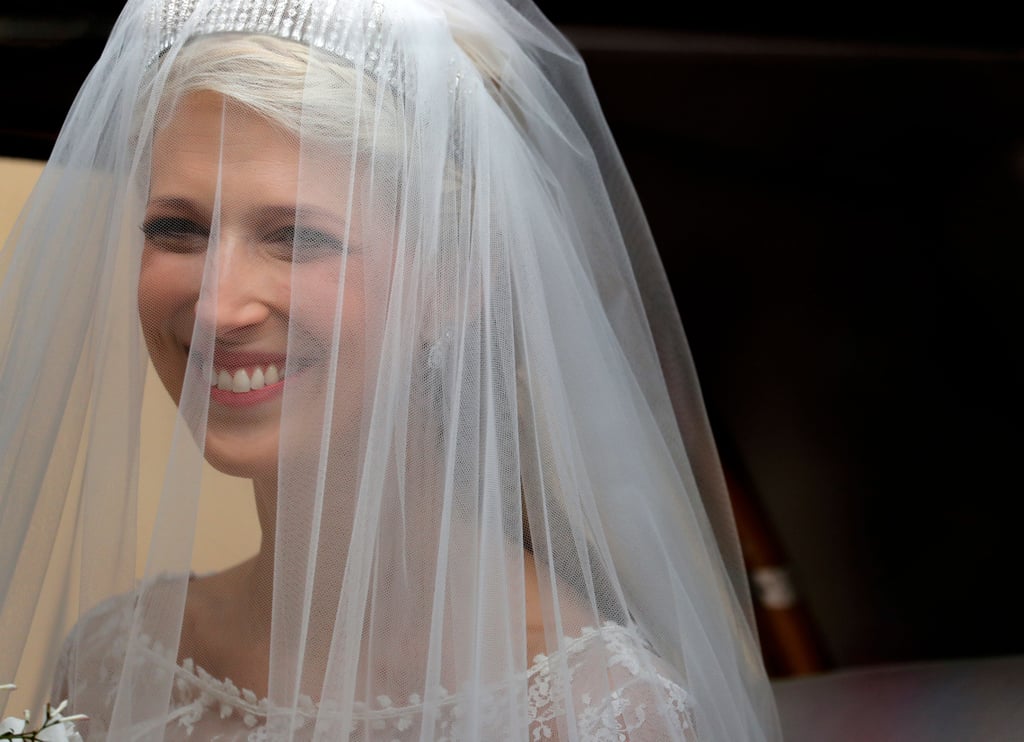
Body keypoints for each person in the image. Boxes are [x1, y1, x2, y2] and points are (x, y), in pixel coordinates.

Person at [0, 0, 781, 738]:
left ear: (451, 279)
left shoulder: (594, 711)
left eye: (296, 237)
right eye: (177, 229)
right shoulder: (111, 659)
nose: (214, 307)